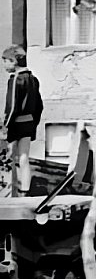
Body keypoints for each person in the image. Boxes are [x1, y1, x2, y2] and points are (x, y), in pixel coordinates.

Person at [1, 46, 43, 197]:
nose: (4, 65)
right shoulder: (33, 79)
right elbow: (39, 105)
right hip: (29, 123)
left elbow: (12, 106)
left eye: (5, 62)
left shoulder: (15, 80)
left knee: (9, 158)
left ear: (13, 61)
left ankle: (9, 191)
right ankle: (24, 191)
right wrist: (34, 123)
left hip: (15, 124)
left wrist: (5, 126)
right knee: (24, 157)